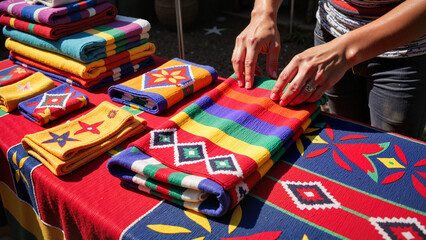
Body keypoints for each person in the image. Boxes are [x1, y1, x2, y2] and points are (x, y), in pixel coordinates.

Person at [231, 0, 426, 139]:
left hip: (405, 52)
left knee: (392, 150)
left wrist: (344, 51)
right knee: (345, 136)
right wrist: (264, 11)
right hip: (329, 32)